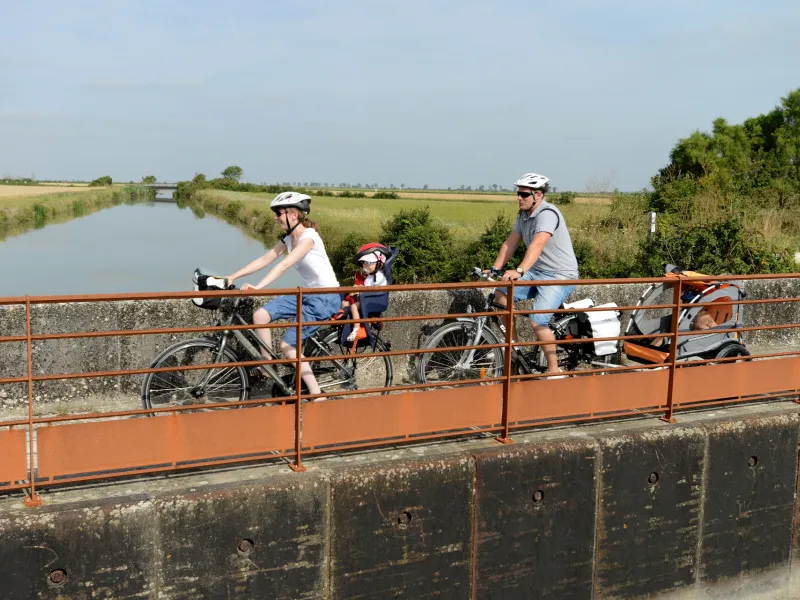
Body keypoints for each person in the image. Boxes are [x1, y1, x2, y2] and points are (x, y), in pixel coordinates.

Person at [224, 191, 341, 398]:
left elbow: (285, 264)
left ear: (293, 214)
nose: (276, 218)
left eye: (279, 213)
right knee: (260, 315)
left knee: (288, 346)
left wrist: (259, 287)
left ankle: (317, 395)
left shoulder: (309, 238)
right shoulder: (288, 239)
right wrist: (232, 276)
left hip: (325, 297)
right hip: (306, 294)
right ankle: (266, 365)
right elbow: (265, 259)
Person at [489, 172, 579, 377]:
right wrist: (495, 269)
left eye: (524, 194)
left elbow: (538, 244)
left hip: (559, 275)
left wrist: (519, 270)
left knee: (537, 320)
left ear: (538, 195)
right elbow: (510, 243)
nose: (519, 198)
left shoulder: (548, 213)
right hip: (537, 271)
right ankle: (515, 350)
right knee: (501, 295)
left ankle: (554, 370)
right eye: (518, 194)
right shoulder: (523, 215)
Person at [340, 243, 390, 342]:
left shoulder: (379, 277)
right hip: (366, 297)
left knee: (354, 305)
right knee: (344, 303)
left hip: (373, 299)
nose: (365, 265)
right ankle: (341, 323)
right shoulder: (370, 276)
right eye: (363, 263)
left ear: (379, 262)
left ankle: (356, 329)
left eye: (368, 262)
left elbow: (373, 289)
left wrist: (360, 289)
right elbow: (367, 287)